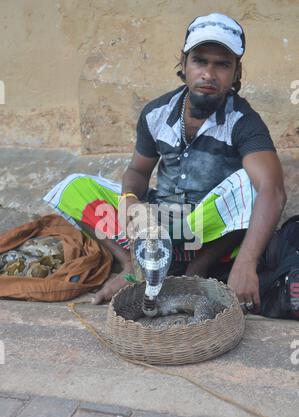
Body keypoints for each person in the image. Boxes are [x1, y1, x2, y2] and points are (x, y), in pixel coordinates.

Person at [44, 12, 286, 312]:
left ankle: (196, 270)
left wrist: (247, 264)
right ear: (183, 64)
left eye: (222, 64)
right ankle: (133, 266)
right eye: (200, 61)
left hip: (207, 228)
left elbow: (273, 190)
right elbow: (138, 170)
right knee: (75, 187)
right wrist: (130, 200)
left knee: (251, 186)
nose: (209, 74)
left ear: (236, 73)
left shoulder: (243, 122)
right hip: (158, 223)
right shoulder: (156, 113)